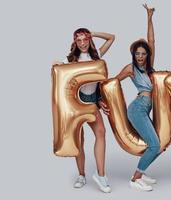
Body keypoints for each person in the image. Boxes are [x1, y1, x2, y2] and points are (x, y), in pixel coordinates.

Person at [104, 4, 159, 191]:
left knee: (158, 144)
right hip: (138, 108)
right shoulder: (131, 68)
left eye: (143, 53)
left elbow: (151, 39)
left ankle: (142, 171)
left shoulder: (149, 67)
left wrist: (149, 18)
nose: (141, 56)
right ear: (133, 54)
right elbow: (113, 82)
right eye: (138, 53)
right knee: (155, 144)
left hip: (146, 106)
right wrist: (101, 97)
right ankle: (135, 179)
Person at [53, 28, 115, 193]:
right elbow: (61, 77)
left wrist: (93, 33)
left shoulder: (97, 57)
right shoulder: (71, 60)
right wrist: (56, 64)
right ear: (74, 42)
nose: (82, 43)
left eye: (85, 39)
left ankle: (101, 175)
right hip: (75, 104)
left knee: (101, 132)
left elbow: (111, 38)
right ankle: (81, 175)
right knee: (79, 141)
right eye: (79, 40)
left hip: (92, 102)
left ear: (88, 40)